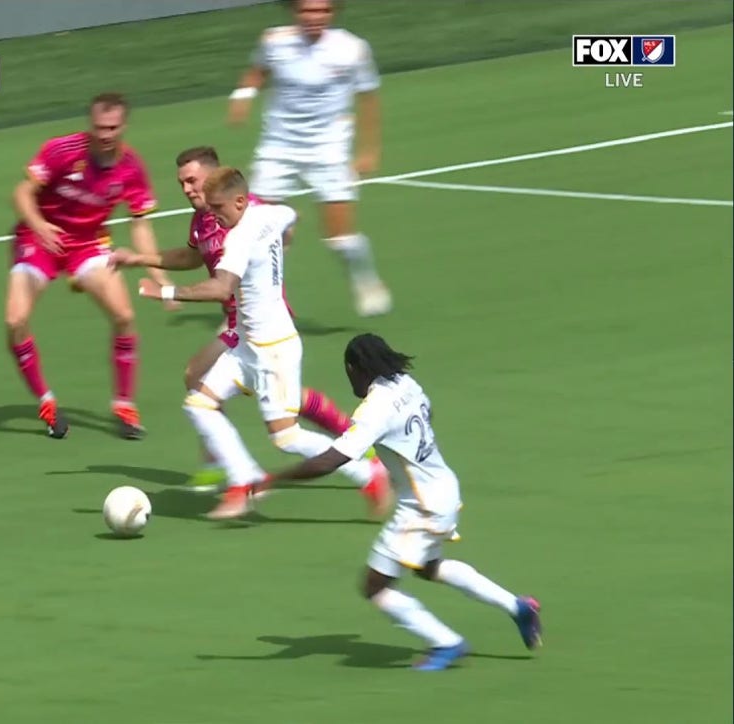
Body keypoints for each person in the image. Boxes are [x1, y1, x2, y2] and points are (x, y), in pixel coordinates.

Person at [209, 333, 543, 671]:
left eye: (348, 371)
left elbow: (331, 460)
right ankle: (518, 608)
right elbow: (428, 413)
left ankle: (446, 643)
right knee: (430, 568)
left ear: (356, 368)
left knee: (375, 586)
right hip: (443, 487)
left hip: (421, 507)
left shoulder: (374, 411)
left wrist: (273, 478)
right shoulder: (406, 383)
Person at [113, 147, 386, 515]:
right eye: (182, 184)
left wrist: (162, 291)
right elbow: (289, 216)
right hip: (245, 336)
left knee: (286, 435)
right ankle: (243, 477)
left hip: (269, 341)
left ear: (231, 195)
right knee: (199, 399)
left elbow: (221, 287)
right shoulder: (250, 213)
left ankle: (365, 469)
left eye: (193, 182)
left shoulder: (240, 231)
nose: (190, 193)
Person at [7, 92, 173, 440]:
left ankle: (124, 405)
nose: (106, 134)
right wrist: (39, 226)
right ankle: (46, 401)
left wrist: (159, 277)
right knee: (15, 319)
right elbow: (22, 193)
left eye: (113, 127)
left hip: (88, 244)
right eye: (100, 127)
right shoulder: (62, 150)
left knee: (125, 316)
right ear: (90, 124)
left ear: (124, 125)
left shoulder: (131, 167)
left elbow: (140, 223)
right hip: (40, 239)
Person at [228, 0, 392, 317]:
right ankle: (248, 313)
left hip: (329, 149)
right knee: (258, 233)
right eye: (307, 10)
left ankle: (365, 280)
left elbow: (368, 98)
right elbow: (256, 73)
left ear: (333, 13)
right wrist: (242, 97)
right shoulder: (273, 41)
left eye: (322, 11)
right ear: (294, 12)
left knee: (339, 238)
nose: (314, 17)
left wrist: (370, 150)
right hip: (278, 147)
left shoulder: (353, 49)